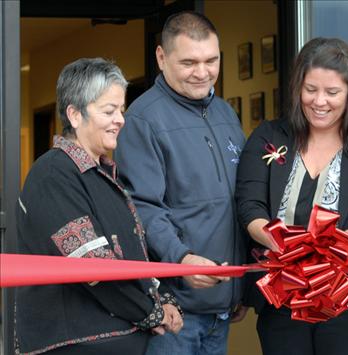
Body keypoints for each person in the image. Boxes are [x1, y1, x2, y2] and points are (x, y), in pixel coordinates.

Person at [236, 37, 348, 355]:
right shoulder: (269, 136)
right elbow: (249, 206)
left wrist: (323, 253)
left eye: (332, 92)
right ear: (298, 87)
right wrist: (283, 245)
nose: (319, 101)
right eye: (310, 89)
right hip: (282, 296)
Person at [15, 58, 183, 355]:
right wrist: (151, 311)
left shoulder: (102, 174)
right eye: (109, 111)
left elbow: (132, 257)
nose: (120, 119)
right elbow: (92, 266)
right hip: (74, 345)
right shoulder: (53, 174)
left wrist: (162, 297)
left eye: (121, 109)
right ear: (75, 115)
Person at [114, 11, 246, 355]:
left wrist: (241, 288)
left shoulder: (226, 114)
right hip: (176, 312)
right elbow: (141, 207)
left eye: (211, 60)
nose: (202, 72)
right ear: (161, 57)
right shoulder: (143, 120)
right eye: (189, 62)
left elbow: (238, 203)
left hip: (223, 306)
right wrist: (181, 258)